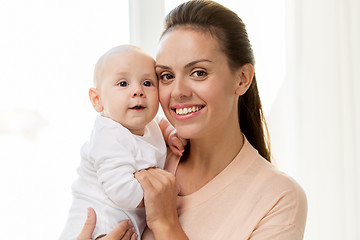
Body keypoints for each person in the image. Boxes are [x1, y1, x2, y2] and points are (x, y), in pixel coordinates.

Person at [77, 0, 308, 239]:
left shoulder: (278, 198)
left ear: (242, 79)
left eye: (198, 72)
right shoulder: (144, 151)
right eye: (166, 76)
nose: (178, 92)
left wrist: (167, 224)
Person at [59, 45, 185, 240]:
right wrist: (160, 193)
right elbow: (122, 191)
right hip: (97, 225)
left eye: (147, 83)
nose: (138, 90)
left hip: (120, 222)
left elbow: (158, 123)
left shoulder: (147, 123)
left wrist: (170, 133)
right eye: (123, 83)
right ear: (97, 100)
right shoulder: (109, 136)